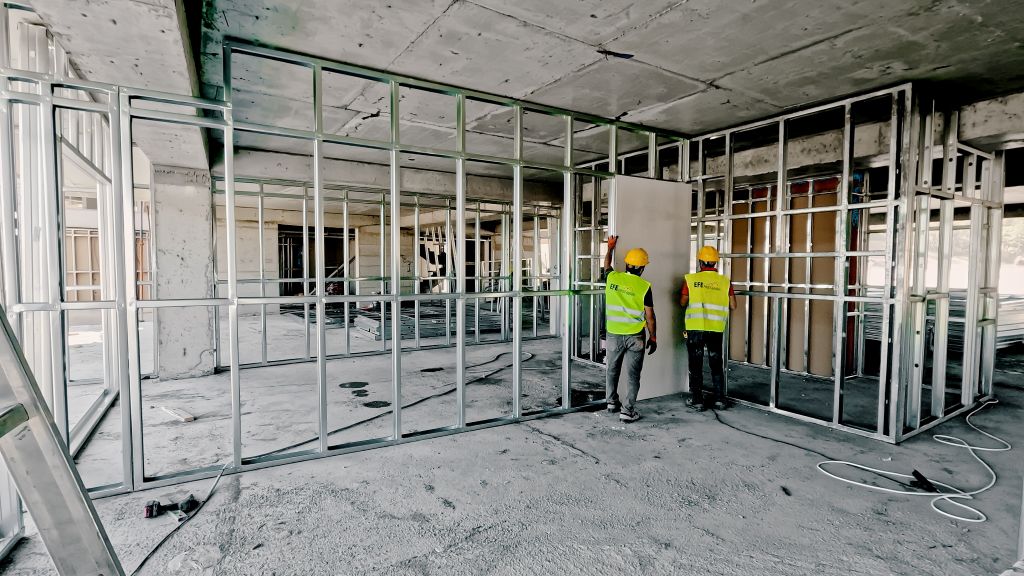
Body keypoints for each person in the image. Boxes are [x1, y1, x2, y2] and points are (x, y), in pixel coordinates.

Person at [602, 235, 657, 422]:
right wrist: (653, 337)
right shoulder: (644, 287)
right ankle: (627, 411)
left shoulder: (612, 278)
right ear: (642, 268)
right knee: (633, 375)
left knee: (611, 369)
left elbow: (606, 264)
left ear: (626, 264)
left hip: (613, 334)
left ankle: (611, 402)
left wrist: (610, 248)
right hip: (635, 336)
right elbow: (650, 316)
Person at [680, 245, 736, 411]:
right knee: (716, 364)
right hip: (716, 329)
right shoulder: (725, 282)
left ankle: (697, 400)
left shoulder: (690, 280)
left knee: (695, 364)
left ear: (700, 261)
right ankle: (719, 400)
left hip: (695, 328)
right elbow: (733, 305)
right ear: (715, 262)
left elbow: (682, 302)